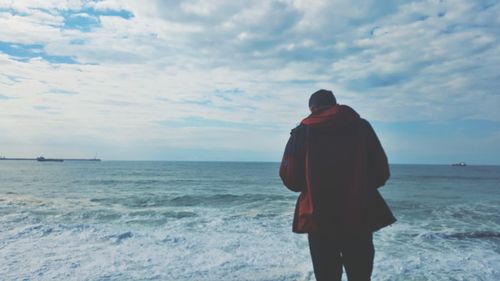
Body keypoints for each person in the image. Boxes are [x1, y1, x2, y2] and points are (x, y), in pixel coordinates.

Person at [279, 89, 396, 281]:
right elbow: (381, 173)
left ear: (312, 108)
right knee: (360, 276)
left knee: (326, 276)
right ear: (335, 104)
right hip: (359, 214)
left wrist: (309, 186)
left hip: (319, 219)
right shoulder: (361, 127)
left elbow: (290, 179)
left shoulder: (302, 132)